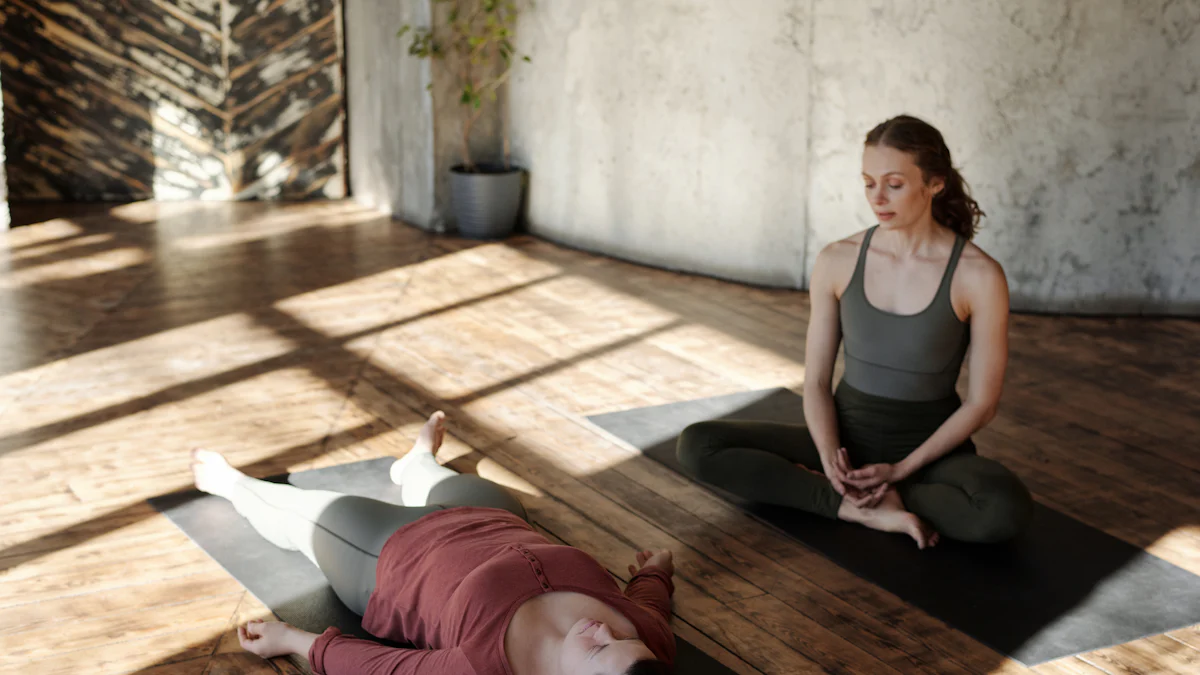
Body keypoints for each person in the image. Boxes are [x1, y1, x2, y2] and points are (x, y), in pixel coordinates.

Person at [677, 114, 1033, 549]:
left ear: (935, 184)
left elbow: (982, 404)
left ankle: (891, 496)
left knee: (1001, 510)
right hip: (845, 440)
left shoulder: (978, 275)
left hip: (928, 452)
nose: (877, 197)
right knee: (699, 444)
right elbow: (816, 381)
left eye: (894, 184)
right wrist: (830, 461)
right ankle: (848, 505)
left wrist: (900, 470)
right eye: (868, 182)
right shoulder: (838, 260)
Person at [191, 411, 675, 675]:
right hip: (493, 516)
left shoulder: (482, 670)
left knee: (301, 515)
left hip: (389, 555)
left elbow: (385, 669)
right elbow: (649, 607)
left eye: (597, 648)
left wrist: (293, 640)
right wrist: (655, 572)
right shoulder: (648, 642)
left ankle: (231, 484)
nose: (604, 629)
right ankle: (416, 462)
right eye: (623, 638)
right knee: (441, 479)